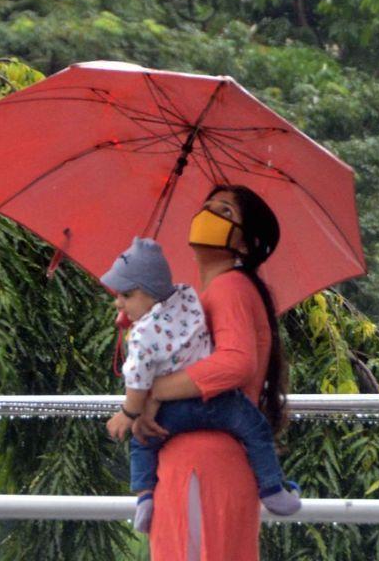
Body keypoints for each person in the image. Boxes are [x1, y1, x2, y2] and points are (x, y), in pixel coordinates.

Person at [131, 184, 291, 560]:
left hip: (202, 466)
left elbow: (237, 362)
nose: (207, 216)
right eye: (205, 208)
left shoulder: (230, 287)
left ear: (246, 245)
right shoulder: (215, 293)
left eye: (224, 212)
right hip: (202, 463)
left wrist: (155, 393)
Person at [101, 237, 300, 534]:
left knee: (142, 442)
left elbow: (137, 380)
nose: (119, 302)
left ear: (151, 292)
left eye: (126, 295)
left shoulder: (142, 336)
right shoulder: (188, 298)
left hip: (172, 414)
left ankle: (143, 496)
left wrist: (129, 414)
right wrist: (139, 310)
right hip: (218, 403)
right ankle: (272, 488)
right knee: (255, 428)